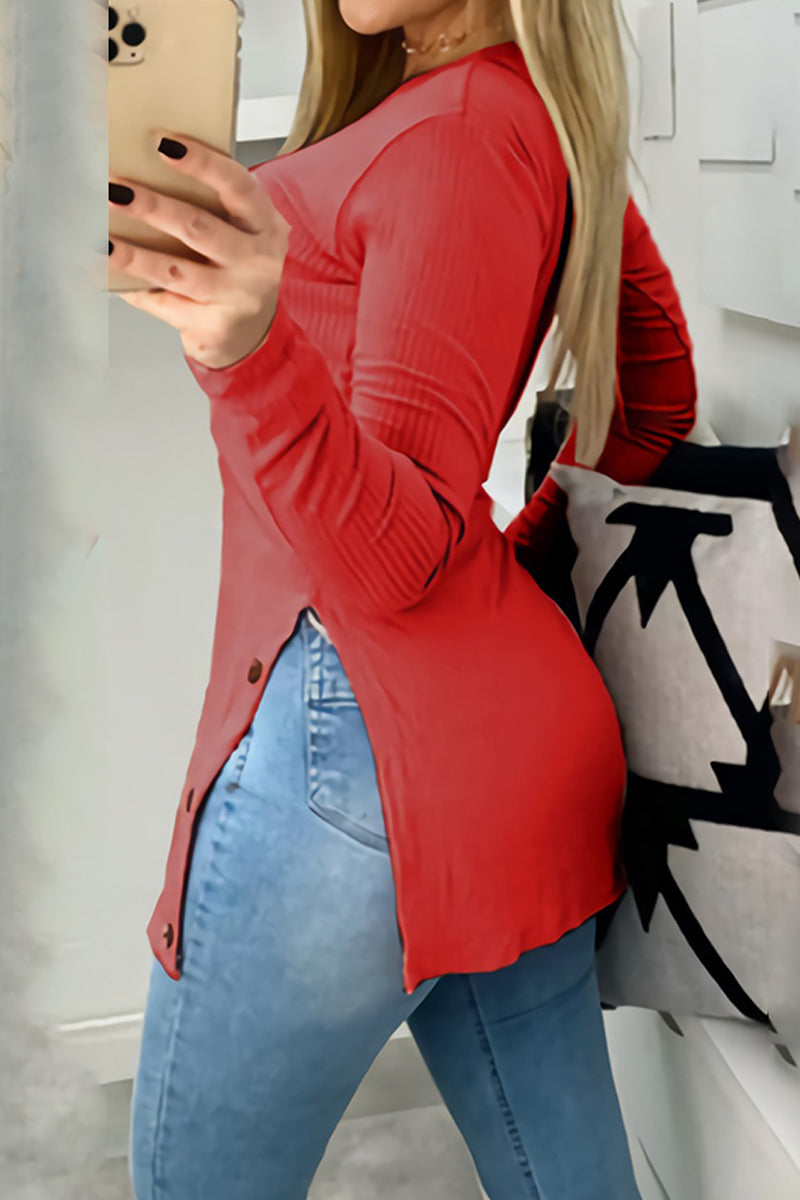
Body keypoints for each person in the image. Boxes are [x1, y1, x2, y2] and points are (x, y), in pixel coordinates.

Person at [112, 1, 698, 1196]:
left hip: (349, 769)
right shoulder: (522, 114)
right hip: (500, 753)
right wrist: (507, 577)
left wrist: (249, 356)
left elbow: (394, 562)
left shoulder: (457, 129)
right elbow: (653, 401)